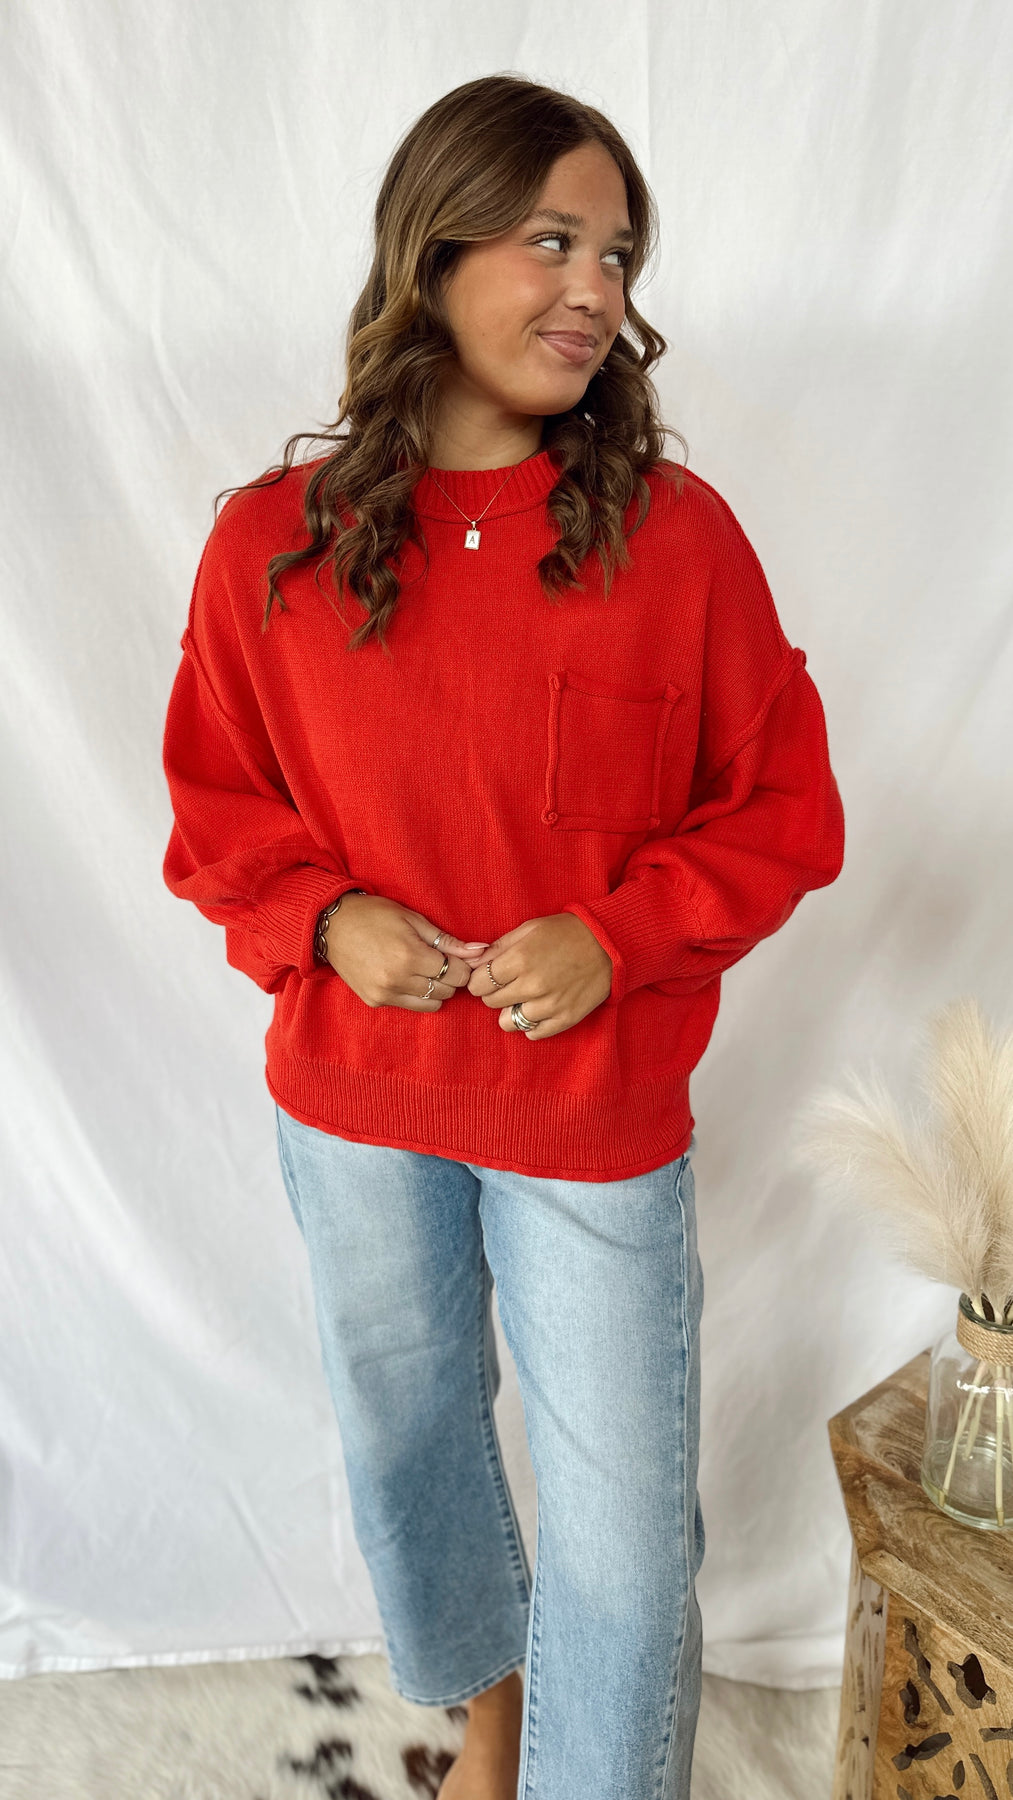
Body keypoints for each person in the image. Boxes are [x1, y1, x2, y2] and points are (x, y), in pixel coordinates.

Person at [161, 72, 845, 1800]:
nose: (594, 290)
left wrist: (620, 935)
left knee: (623, 1528)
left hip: (589, 1114)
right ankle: (488, 1725)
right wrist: (322, 915)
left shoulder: (673, 543)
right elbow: (214, 809)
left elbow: (782, 808)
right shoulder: (272, 547)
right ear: (435, 248)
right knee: (411, 1448)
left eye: (616, 256)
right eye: (552, 240)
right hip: (355, 1097)